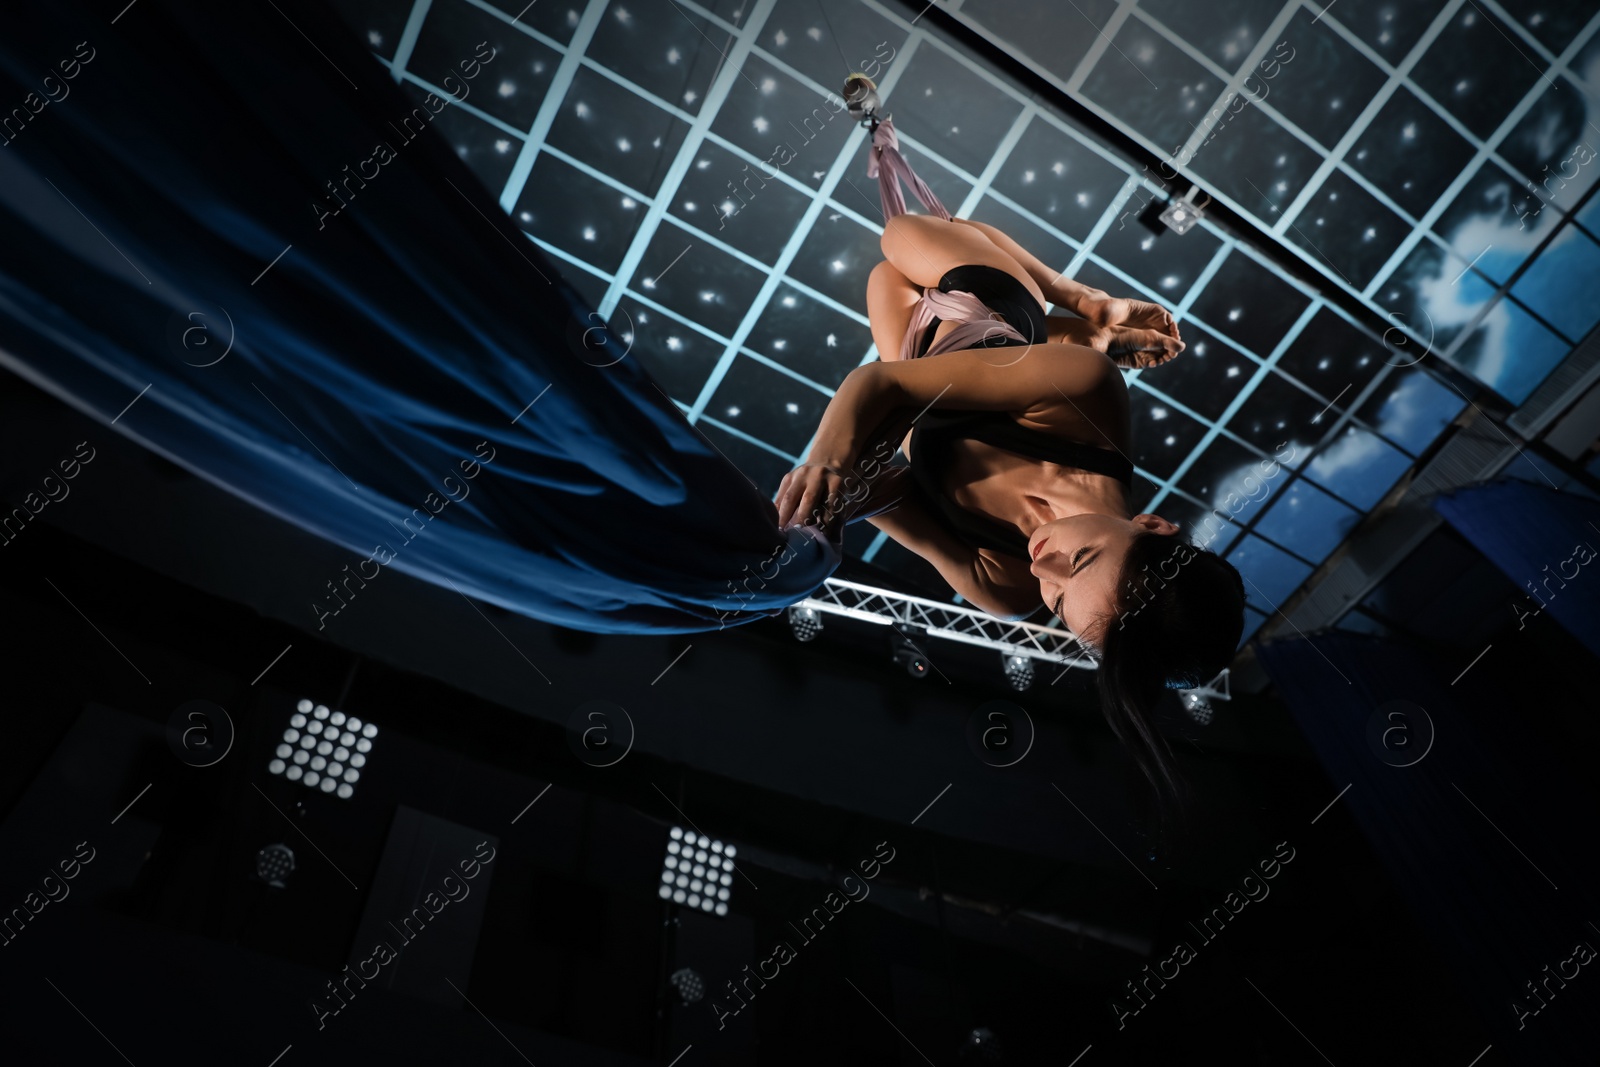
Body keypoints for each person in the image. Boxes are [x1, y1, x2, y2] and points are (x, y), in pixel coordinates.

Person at [777, 100, 1245, 807]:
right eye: (1081, 560)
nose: (1043, 566)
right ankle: (1084, 305)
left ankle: (1076, 330)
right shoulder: (1091, 409)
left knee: (884, 282)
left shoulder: (1002, 585)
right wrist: (827, 459)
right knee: (901, 235)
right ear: (1153, 526)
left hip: (919, 356)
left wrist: (824, 517)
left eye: (1058, 601)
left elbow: (881, 491)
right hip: (988, 312)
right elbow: (874, 387)